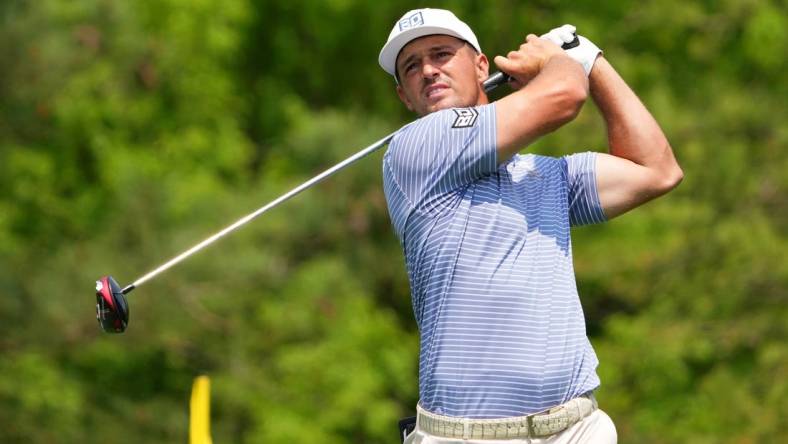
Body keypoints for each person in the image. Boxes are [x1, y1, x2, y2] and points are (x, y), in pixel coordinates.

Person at [378, 8, 683, 444]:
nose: (428, 70)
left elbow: (657, 169)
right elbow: (563, 98)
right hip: (465, 436)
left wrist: (592, 60)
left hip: (576, 428)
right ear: (404, 97)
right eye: (411, 66)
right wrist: (556, 62)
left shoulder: (548, 177)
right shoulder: (414, 150)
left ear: (482, 66)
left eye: (441, 54)